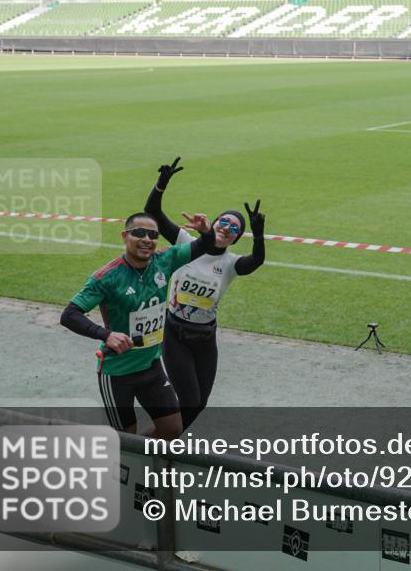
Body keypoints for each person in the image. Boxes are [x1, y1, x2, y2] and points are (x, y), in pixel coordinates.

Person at [60, 212, 217, 439]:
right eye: (139, 233)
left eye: (153, 235)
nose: (147, 239)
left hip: (151, 365)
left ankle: (147, 467)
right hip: (117, 372)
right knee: (125, 436)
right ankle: (122, 468)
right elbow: (69, 314)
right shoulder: (107, 277)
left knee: (172, 429)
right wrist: (106, 335)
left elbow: (206, 245)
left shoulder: (166, 259)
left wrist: (205, 231)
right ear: (125, 236)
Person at [144, 157, 265, 431]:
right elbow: (152, 211)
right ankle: (156, 443)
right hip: (174, 332)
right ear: (215, 221)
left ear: (236, 238)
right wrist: (161, 184)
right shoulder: (186, 243)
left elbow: (255, 261)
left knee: (199, 403)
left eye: (234, 228)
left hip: (205, 337)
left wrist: (258, 236)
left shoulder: (232, 264)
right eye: (224, 221)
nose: (226, 228)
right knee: (188, 398)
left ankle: (158, 440)